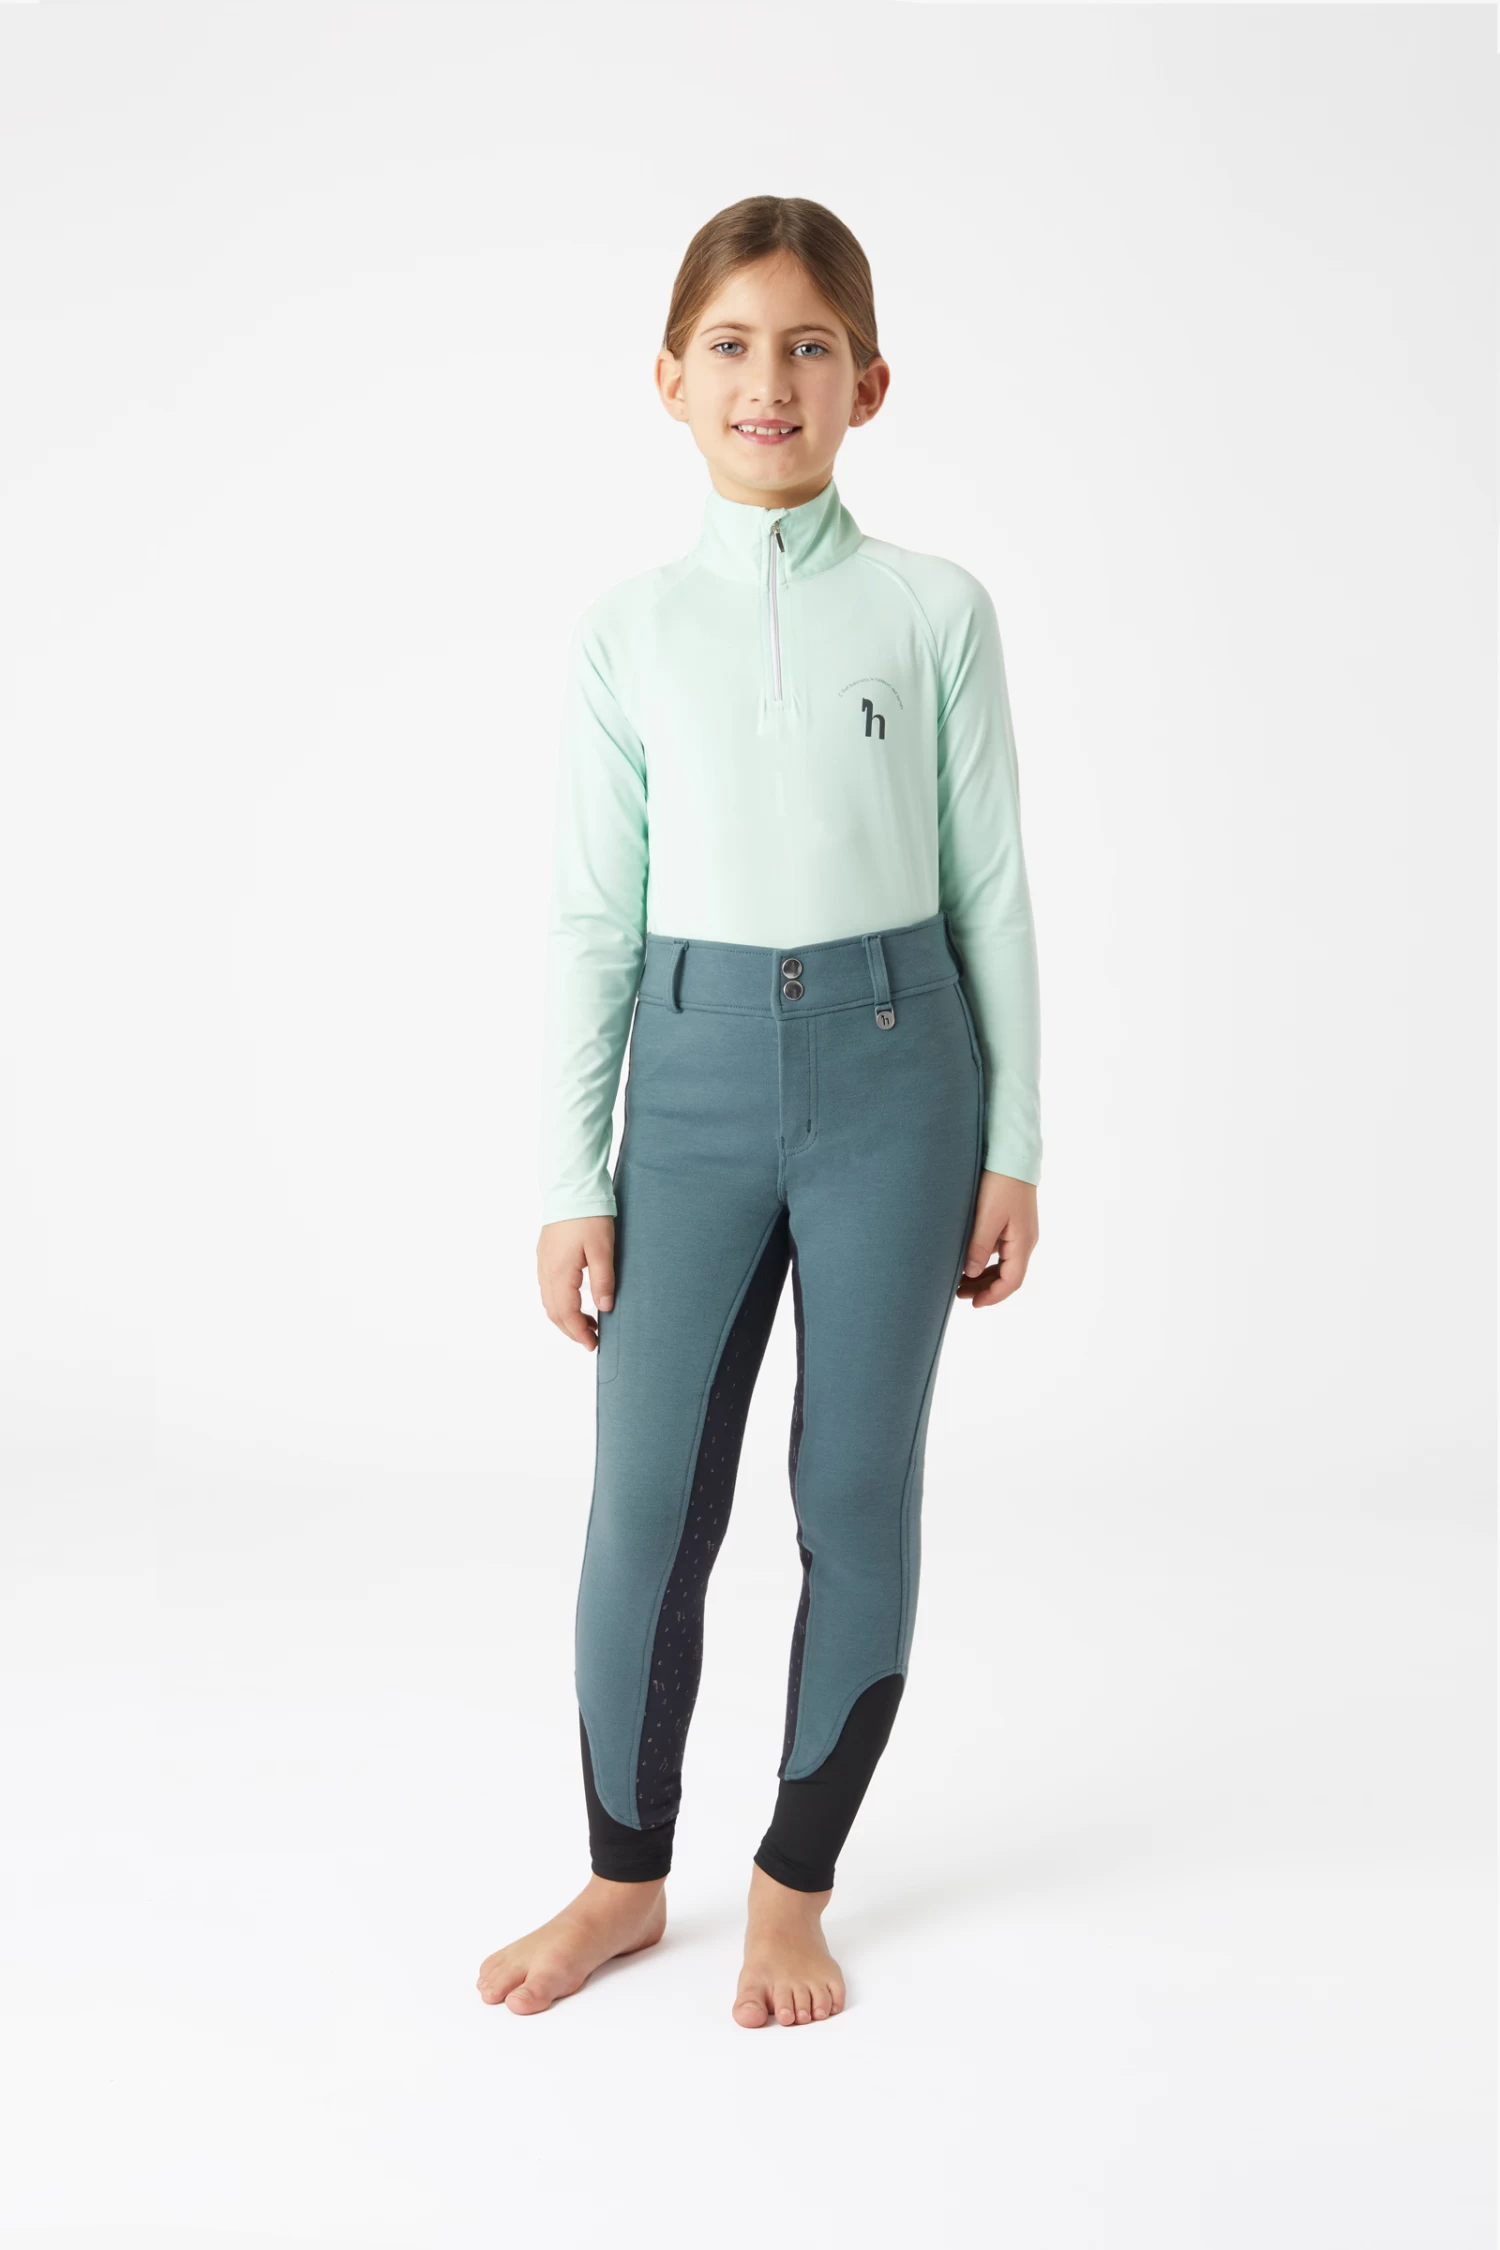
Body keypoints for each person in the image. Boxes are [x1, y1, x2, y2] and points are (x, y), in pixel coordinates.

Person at [477, 194, 1042, 2029]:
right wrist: (570, 1169)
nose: (768, 379)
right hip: (695, 1080)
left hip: (899, 1075)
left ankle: (793, 1889)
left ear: (869, 382)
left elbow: (991, 891)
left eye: (808, 345)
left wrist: (1016, 1142)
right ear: (670, 379)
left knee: (853, 1490)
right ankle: (623, 1878)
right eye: (730, 344)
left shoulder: (935, 610)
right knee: (646, 1503)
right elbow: (589, 914)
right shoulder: (629, 630)